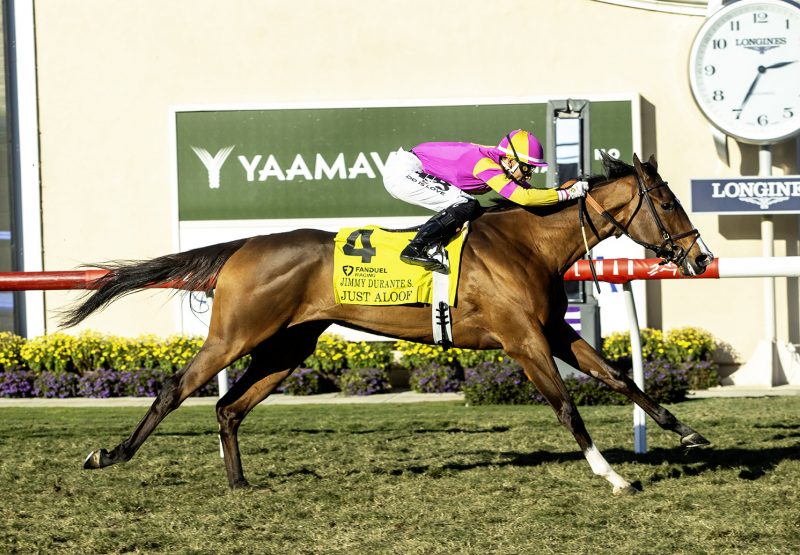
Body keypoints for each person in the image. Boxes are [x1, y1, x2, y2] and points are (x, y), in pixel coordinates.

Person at [382, 129, 589, 272]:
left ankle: (431, 243)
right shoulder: (486, 166)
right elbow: (522, 198)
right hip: (404, 172)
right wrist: (568, 194)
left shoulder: (501, 162)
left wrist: (559, 195)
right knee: (466, 204)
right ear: (509, 160)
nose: (529, 174)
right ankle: (417, 247)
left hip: (412, 167)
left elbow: (531, 193)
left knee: (466, 204)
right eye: (526, 168)